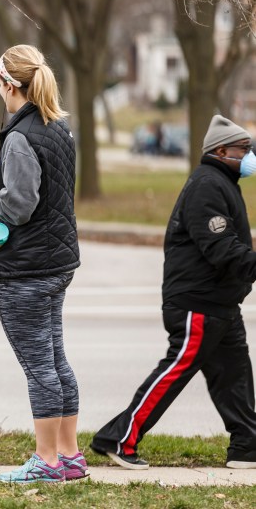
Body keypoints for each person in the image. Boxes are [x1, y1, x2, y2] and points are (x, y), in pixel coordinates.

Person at [0, 44, 84, 483]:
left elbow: (21, 204)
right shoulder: (56, 128)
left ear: (9, 85)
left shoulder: (21, 134)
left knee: (39, 367)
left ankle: (45, 462)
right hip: (56, 263)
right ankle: (70, 457)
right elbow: (40, 183)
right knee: (56, 360)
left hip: (26, 267)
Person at [91, 115, 256, 470]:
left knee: (235, 374)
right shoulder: (207, 185)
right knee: (174, 372)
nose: (249, 156)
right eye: (245, 150)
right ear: (222, 150)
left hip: (221, 303)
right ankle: (119, 438)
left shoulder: (222, 182)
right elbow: (221, 248)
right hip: (198, 303)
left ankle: (247, 446)